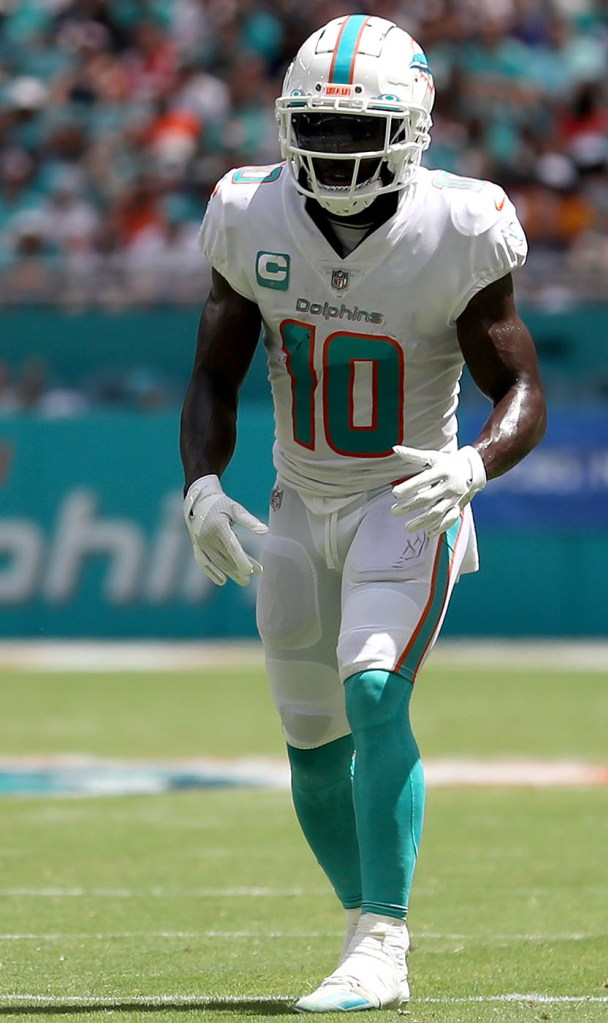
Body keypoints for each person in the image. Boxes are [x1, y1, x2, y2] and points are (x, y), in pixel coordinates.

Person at [180, 14, 546, 1014]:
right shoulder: (247, 213)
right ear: (287, 123)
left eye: (360, 130)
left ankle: (382, 940)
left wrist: (472, 462)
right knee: (309, 741)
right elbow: (214, 372)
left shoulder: (459, 225)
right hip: (298, 498)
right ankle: (362, 932)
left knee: (375, 693)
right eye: (319, 128)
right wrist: (200, 485)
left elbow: (520, 387)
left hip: (405, 500)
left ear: (413, 128)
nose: (337, 151)